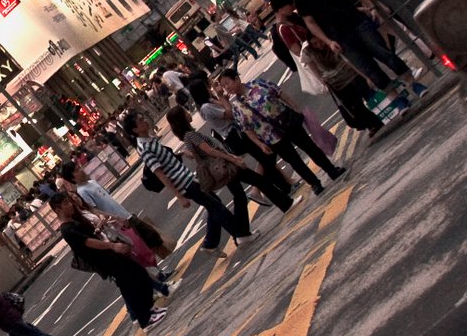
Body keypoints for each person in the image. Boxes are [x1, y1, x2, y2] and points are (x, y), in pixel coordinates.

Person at [285, 0, 424, 102]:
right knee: (368, 68)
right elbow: (310, 22)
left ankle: (413, 83)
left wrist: (370, 6)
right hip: (339, 37)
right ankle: (396, 98)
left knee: (384, 53)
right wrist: (328, 41)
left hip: (357, 22)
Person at [122, 111, 247, 254]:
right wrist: (179, 196)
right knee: (216, 206)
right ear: (135, 129)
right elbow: (159, 172)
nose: (145, 120)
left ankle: (211, 242)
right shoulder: (144, 148)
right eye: (140, 120)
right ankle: (240, 235)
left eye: (143, 117)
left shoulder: (150, 140)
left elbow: (163, 159)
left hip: (186, 177)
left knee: (214, 203)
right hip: (183, 183)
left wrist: (180, 154)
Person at [49, 191, 168, 331]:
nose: (70, 205)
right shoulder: (67, 229)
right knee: (132, 284)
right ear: (58, 210)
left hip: (110, 256)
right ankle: (145, 319)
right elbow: (89, 242)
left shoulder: (74, 222)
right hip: (106, 260)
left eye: (69, 201)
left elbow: (92, 236)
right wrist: (113, 246)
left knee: (137, 277)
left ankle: (148, 311)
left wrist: (99, 229)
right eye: (66, 203)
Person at [164, 104, 292, 233]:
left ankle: (242, 233)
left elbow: (199, 155)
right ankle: (286, 204)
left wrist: (188, 153)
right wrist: (233, 159)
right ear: (182, 118)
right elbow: (210, 151)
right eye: (185, 112)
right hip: (224, 165)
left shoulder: (187, 137)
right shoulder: (191, 135)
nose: (188, 113)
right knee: (258, 181)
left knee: (239, 196)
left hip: (220, 168)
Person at [216, 69, 345, 195]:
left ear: (237, 79)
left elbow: (279, 93)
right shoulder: (237, 107)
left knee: (310, 147)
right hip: (271, 136)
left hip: (286, 121)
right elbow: (247, 129)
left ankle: (331, 170)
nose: (227, 88)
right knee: (294, 161)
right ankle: (314, 183)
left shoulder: (258, 84)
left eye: (227, 83)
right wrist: (260, 145)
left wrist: (295, 107)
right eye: (224, 86)